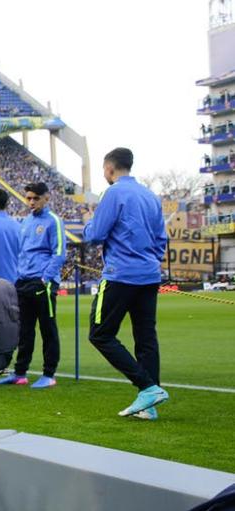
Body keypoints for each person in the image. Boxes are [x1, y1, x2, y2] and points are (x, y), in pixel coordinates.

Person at [83, 147, 170, 419]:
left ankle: (147, 387)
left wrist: (88, 222)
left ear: (109, 169)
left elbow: (95, 235)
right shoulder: (150, 196)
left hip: (120, 274)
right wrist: (149, 260)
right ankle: (150, 406)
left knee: (99, 334)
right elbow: (161, 240)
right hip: (148, 275)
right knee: (145, 337)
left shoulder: (113, 193)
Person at [0, 183, 66, 389]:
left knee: (47, 329)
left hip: (42, 282)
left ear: (46, 198)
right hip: (24, 281)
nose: (31, 202)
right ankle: (20, 373)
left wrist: (46, 278)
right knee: (24, 329)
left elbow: (59, 252)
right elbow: (23, 252)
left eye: (36, 198)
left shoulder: (54, 221)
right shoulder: (25, 222)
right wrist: (19, 275)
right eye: (28, 198)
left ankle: (49, 374)